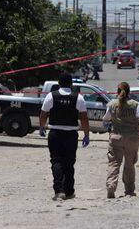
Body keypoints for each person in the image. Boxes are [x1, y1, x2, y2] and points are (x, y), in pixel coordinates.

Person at [39, 73, 90, 201]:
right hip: (71, 135)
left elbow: (43, 113)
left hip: (55, 134)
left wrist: (42, 127)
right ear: (71, 84)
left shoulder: (51, 96)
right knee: (69, 162)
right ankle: (69, 191)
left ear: (59, 83)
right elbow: (84, 117)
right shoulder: (78, 98)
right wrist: (86, 134)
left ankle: (59, 191)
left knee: (56, 161)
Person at [103, 82, 139, 199]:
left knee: (114, 163)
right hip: (132, 138)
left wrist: (108, 126)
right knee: (129, 164)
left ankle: (111, 186)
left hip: (116, 137)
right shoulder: (135, 105)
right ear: (129, 92)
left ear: (117, 92)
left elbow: (106, 119)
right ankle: (129, 190)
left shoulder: (112, 104)